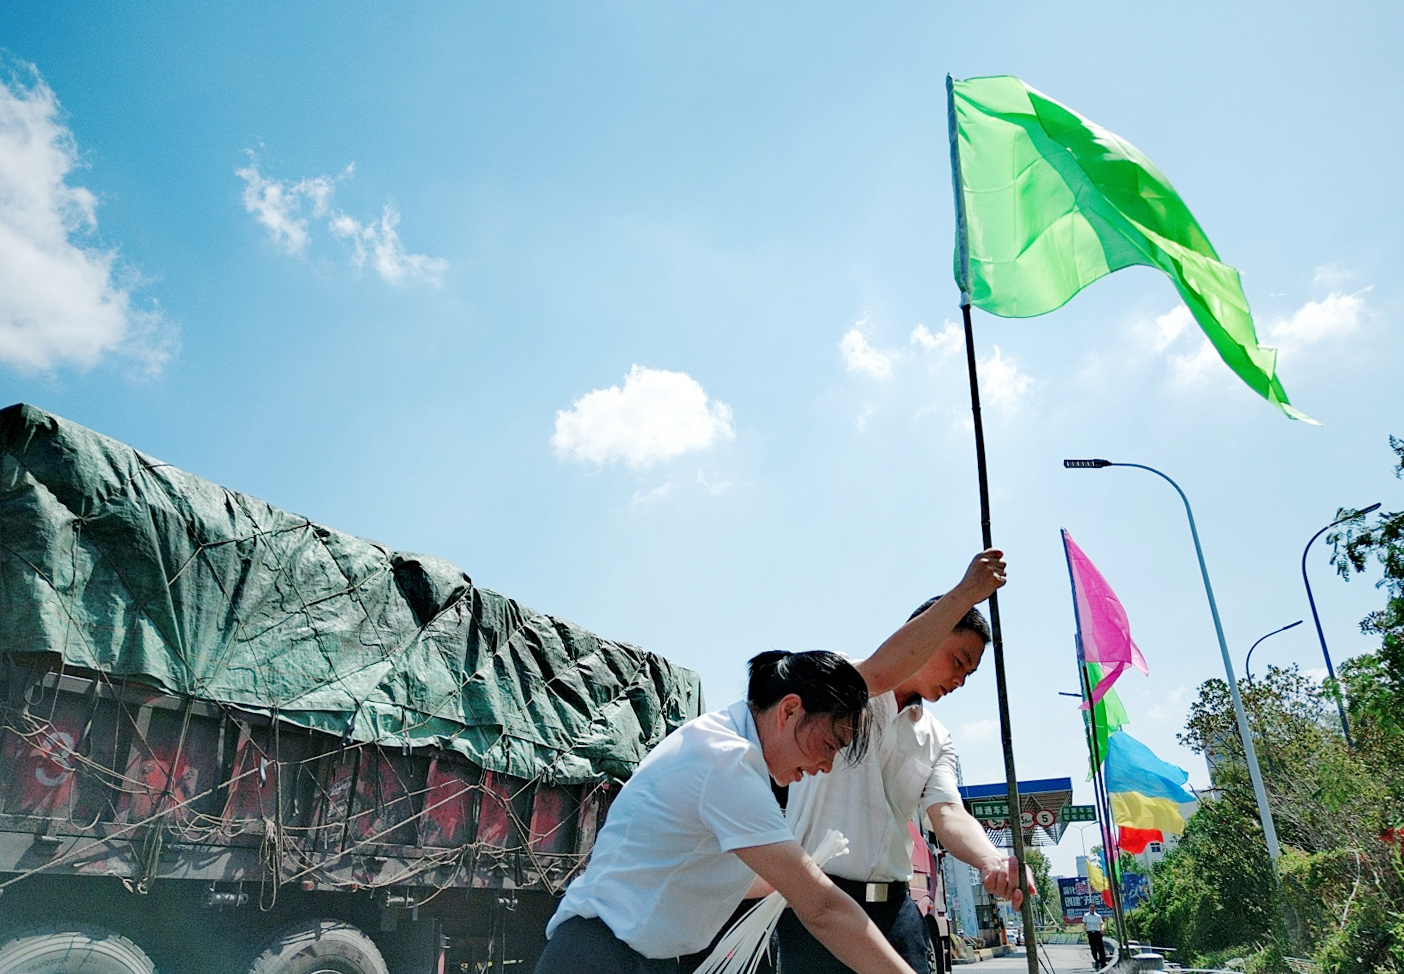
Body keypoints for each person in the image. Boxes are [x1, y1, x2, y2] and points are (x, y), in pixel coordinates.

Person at [533, 550, 1007, 974]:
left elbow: (752, 881)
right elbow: (822, 907)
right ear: (790, 710)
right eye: (828, 746)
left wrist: (992, 860)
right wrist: (965, 594)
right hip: (602, 955)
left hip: (647, 953)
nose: (826, 766)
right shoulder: (728, 761)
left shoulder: (742, 758)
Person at [775, 600, 1034, 974]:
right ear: (929, 630)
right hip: (815, 903)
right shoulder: (841, 683)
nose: (960, 681)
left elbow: (948, 813)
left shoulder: (936, 738)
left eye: (969, 673)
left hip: (895, 911)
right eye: (958, 661)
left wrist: (991, 860)